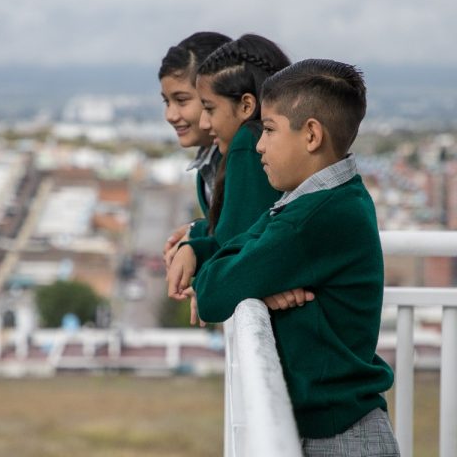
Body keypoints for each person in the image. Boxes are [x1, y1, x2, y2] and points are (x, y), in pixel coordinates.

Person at [188, 59, 399, 455]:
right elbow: (240, 245)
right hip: (345, 427)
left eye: (268, 129)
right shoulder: (335, 197)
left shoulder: (310, 219)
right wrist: (261, 286)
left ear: (312, 135)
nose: (260, 145)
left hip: (340, 438)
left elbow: (213, 290)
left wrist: (242, 268)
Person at [166, 34, 308, 320]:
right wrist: (197, 241)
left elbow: (235, 253)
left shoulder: (248, 143)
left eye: (209, 108)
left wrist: (207, 281)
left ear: (246, 105)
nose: (205, 122)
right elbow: (248, 234)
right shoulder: (247, 149)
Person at [159, 31, 231, 257]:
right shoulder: (208, 161)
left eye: (181, 100)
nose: (170, 115)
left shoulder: (248, 156)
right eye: (166, 101)